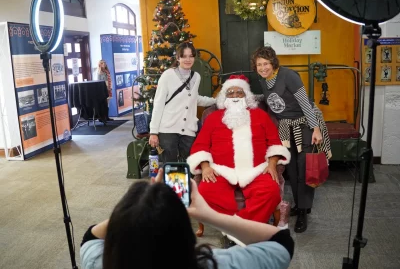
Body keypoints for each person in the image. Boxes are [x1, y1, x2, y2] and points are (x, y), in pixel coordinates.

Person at [80, 169, 294, 269]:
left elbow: (90, 237)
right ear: (184, 235)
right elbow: (281, 242)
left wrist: (138, 206)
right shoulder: (221, 263)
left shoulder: (98, 263)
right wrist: (208, 215)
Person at [186, 75, 291, 242]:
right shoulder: (213, 118)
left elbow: (275, 143)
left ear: (246, 96)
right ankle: (246, 229)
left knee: (271, 192)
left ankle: (236, 229)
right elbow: (200, 146)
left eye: (239, 92)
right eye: (231, 92)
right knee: (205, 192)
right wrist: (205, 166)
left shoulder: (260, 115)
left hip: (256, 169)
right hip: (221, 170)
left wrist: (272, 164)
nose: (235, 96)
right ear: (224, 97)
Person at [251, 46, 332, 233]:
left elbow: (304, 102)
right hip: (286, 128)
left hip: (304, 124)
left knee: (304, 168)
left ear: (273, 63)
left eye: (266, 63)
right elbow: (270, 98)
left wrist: (316, 128)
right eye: (259, 65)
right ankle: (300, 205)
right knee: (292, 169)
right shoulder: (263, 79)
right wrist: (248, 97)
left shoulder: (289, 75)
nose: (263, 68)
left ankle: (303, 211)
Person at [148, 42, 215, 162]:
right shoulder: (167, 75)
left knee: (189, 165)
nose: (188, 59)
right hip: (168, 129)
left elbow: (195, 98)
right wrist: (153, 132)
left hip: (188, 129)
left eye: (191, 56)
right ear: (178, 58)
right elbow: (158, 103)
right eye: (184, 56)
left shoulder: (196, 77)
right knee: (170, 167)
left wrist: (216, 101)